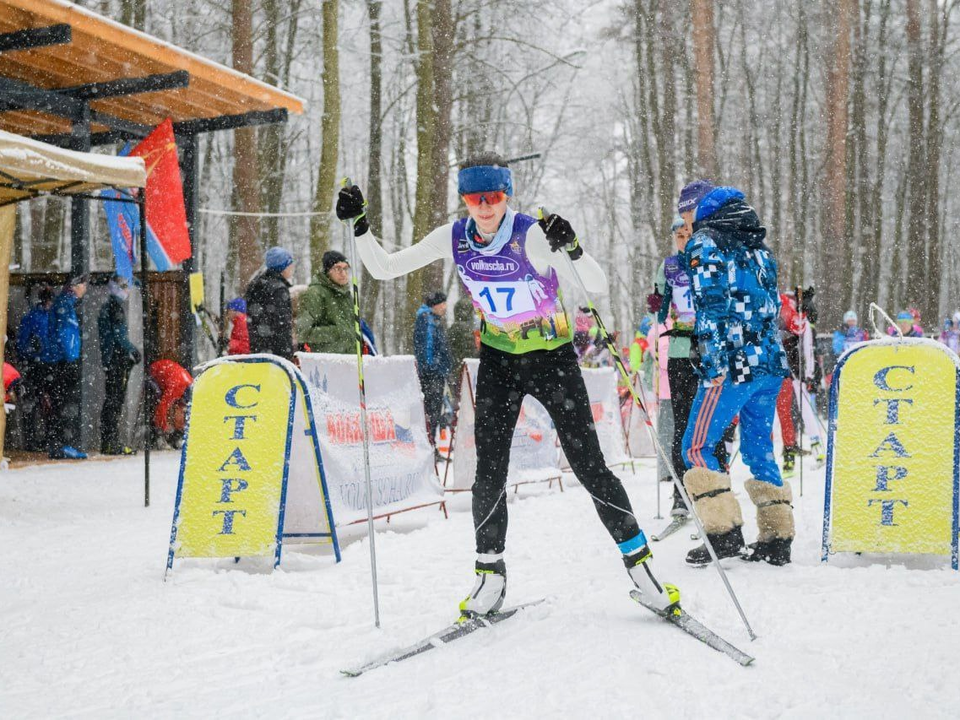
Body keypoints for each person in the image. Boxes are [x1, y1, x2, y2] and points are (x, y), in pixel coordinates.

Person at [337, 151, 680, 617]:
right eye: (475, 198)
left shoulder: (531, 234)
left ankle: (641, 570)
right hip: (498, 359)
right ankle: (489, 577)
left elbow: (595, 284)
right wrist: (359, 224)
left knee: (589, 465)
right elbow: (384, 268)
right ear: (464, 199)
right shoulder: (454, 237)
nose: (484, 207)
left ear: (507, 196)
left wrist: (573, 246)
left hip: (551, 358)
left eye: (494, 196)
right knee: (489, 470)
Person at [676, 180, 794, 567]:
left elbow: (711, 307)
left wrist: (711, 364)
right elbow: (768, 306)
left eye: (687, 213)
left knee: (695, 445)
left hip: (731, 366)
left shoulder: (706, 242)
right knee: (759, 449)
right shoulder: (760, 248)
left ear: (702, 211)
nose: (685, 222)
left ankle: (722, 533)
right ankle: (777, 537)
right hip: (769, 364)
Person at [649, 215, 730, 519]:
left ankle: (718, 484)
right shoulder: (669, 266)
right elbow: (660, 309)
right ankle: (681, 494)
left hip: (709, 351)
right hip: (681, 350)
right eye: (679, 236)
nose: (684, 241)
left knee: (712, 421)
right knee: (682, 423)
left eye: (688, 234)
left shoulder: (709, 260)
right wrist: (656, 302)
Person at [97, 275, 141, 455]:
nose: (128, 291)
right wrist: (132, 350)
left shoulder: (108, 307)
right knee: (115, 401)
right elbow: (119, 336)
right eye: (126, 287)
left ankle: (108, 441)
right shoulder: (115, 308)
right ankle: (111, 442)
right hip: (117, 360)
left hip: (111, 359)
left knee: (112, 401)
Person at [49, 276, 88, 460]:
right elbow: (64, 334)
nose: (85, 287)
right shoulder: (64, 305)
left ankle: (61, 444)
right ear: (74, 287)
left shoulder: (68, 303)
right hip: (64, 362)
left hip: (63, 360)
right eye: (82, 284)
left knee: (63, 402)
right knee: (64, 403)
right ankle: (62, 445)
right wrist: (71, 358)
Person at [15, 286, 57, 451]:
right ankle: (32, 440)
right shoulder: (35, 317)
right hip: (35, 364)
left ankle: (44, 439)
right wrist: (33, 350)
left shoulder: (37, 317)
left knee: (45, 404)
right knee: (33, 402)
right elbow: (22, 344)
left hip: (45, 363)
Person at [296, 250, 356, 354]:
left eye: (346, 268)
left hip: (350, 360)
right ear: (328, 271)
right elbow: (303, 332)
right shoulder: (315, 293)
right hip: (327, 361)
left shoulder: (346, 294)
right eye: (338, 268)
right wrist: (336, 332)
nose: (343, 273)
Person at [414, 291, 452, 451]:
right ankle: (429, 447)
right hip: (431, 376)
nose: (445, 307)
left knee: (436, 411)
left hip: (437, 374)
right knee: (431, 411)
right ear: (434, 305)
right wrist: (433, 368)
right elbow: (426, 348)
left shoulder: (434, 320)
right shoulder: (427, 320)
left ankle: (432, 446)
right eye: (442, 304)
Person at [245, 247, 295, 360]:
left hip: (258, 348)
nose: (292, 268)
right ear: (282, 267)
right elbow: (282, 325)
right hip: (277, 352)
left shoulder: (255, 286)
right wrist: (287, 354)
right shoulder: (279, 290)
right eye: (290, 265)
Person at [149, 359, 193, 448]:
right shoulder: (176, 387)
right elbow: (162, 407)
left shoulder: (188, 384)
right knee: (161, 406)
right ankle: (159, 436)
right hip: (152, 373)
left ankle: (173, 435)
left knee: (176, 412)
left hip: (167, 371)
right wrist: (164, 426)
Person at [447, 293, 479, 384]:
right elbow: (469, 351)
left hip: (455, 368)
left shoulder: (453, 328)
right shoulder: (467, 330)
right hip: (464, 369)